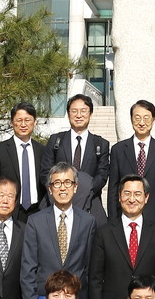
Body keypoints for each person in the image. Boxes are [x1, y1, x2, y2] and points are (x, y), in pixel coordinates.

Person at [89, 174, 155, 299]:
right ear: (119, 197)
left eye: (137, 194)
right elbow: (95, 277)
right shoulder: (103, 233)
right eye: (127, 193)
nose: (132, 199)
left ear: (146, 198)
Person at [21, 164, 96, 299]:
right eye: (57, 183)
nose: (63, 188)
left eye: (67, 182)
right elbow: (28, 268)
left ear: (75, 187)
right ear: (50, 189)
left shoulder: (88, 222)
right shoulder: (35, 221)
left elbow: (90, 270)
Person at [40, 93, 110, 224]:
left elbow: (102, 175)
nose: (79, 115)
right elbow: (45, 172)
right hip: (57, 204)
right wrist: (60, 192)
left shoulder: (100, 144)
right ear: (68, 113)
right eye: (74, 111)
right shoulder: (56, 140)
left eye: (83, 111)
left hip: (89, 204)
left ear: (90, 113)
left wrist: (81, 194)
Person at [107, 99, 155, 230]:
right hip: (125, 215)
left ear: (153, 120)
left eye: (146, 118)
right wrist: (112, 220)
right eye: (137, 118)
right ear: (131, 119)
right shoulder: (118, 150)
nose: (142, 123)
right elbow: (113, 189)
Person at [0, 102, 45, 223]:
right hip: (10, 212)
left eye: (27, 120)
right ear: (12, 122)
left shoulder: (42, 150)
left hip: (38, 212)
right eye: (19, 120)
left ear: (35, 122)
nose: (23, 124)